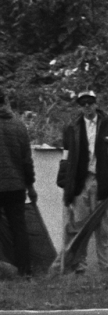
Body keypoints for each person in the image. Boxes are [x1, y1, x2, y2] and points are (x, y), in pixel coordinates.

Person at [56, 89, 108, 273]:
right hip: (80, 181)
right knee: (79, 225)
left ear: (96, 103)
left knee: (103, 227)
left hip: (102, 180)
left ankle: (106, 264)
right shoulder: (72, 127)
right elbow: (65, 156)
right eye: (83, 103)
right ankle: (80, 266)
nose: (87, 107)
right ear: (80, 106)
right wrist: (63, 181)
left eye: (90, 102)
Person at [0, 87, 37, 277]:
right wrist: (30, 186)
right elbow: (26, 161)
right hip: (16, 186)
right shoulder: (18, 125)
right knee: (19, 229)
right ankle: (25, 271)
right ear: (5, 101)